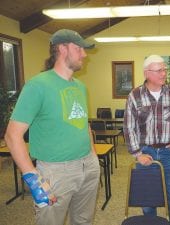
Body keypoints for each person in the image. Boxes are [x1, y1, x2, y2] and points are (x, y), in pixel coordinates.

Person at [4, 29, 100, 225]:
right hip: (56, 171)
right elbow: (12, 136)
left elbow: (84, 124)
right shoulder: (37, 85)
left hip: (88, 166)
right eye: (79, 48)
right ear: (62, 48)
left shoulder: (80, 87)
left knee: (84, 221)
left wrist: (94, 158)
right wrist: (33, 178)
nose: (84, 54)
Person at [123, 54, 170, 225]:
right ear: (147, 73)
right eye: (159, 70)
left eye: (164, 69)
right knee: (148, 199)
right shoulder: (135, 95)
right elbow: (129, 128)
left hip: (169, 153)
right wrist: (137, 154)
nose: (164, 73)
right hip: (146, 152)